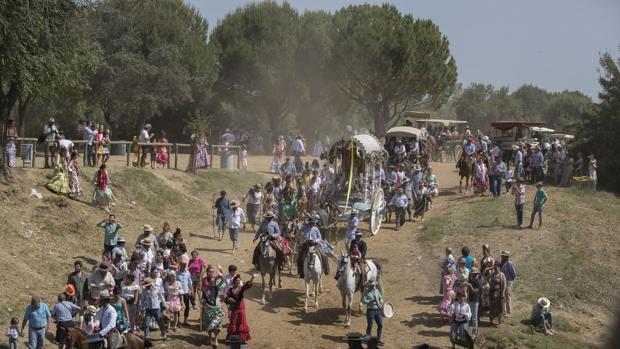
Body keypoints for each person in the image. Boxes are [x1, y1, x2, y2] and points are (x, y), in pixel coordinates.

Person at [225, 274, 254, 342]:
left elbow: (248, 285)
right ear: (234, 281)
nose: (238, 282)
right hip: (234, 308)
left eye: (239, 280)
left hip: (241, 307)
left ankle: (242, 338)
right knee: (234, 321)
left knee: (241, 321)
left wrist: (252, 278)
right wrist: (229, 299)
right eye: (237, 280)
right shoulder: (230, 289)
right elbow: (226, 298)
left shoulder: (241, 288)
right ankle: (233, 337)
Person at [139, 277, 168, 344]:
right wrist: (141, 308)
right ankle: (146, 337)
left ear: (150, 284)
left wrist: (165, 305)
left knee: (160, 322)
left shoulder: (157, 289)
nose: (147, 287)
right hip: (148, 309)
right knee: (146, 323)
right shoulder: (144, 291)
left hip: (156, 309)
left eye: (148, 285)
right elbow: (142, 300)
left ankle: (164, 334)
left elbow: (161, 297)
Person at [201, 269, 225, 349]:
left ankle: (216, 339)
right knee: (208, 325)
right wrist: (207, 305)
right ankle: (210, 337)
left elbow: (223, 283)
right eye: (211, 281)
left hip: (217, 309)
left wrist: (221, 275)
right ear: (208, 282)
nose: (213, 283)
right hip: (208, 309)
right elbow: (203, 300)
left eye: (214, 281)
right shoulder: (205, 289)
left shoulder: (217, 287)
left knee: (217, 325)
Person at [488, 263, 506, 327]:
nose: (495, 268)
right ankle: (491, 321)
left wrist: (503, 293)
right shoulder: (492, 274)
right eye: (494, 267)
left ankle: (499, 323)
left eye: (496, 267)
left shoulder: (502, 275)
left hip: (499, 294)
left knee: (499, 308)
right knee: (491, 308)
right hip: (492, 293)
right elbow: (488, 278)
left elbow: (504, 285)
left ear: (499, 267)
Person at [464, 267, 481, 337]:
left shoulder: (478, 282)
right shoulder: (470, 280)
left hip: (475, 301)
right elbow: (468, 291)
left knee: (474, 316)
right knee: (467, 316)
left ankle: (475, 332)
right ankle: (466, 331)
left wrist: (470, 286)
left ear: (476, 274)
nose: (472, 275)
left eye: (474, 274)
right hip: (470, 300)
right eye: (472, 274)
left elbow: (475, 292)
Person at [500, 251, 516, 317]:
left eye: (503, 256)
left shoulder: (509, 263)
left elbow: (514, 273)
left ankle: (509, 311)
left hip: (508, 281)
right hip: (503, 281)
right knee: (503, 295)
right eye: (502, 255)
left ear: (506, 257)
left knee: (507, 295)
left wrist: (510, 280)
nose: (502, 257)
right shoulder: (502, 263)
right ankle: (504, 310)